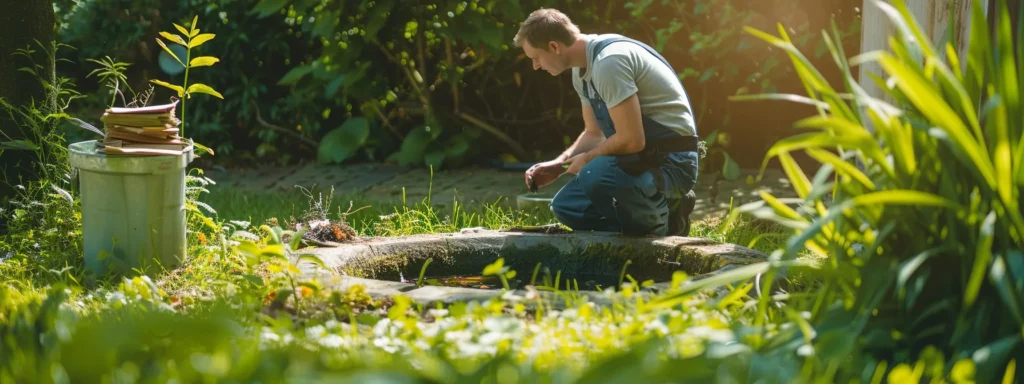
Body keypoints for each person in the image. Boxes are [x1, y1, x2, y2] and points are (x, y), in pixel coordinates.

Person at [515, 8, 700, 237]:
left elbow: (632, 140)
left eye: (536, 58)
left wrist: (586, 159)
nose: (535, 66)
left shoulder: (609, 62)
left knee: (596, 173)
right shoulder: (581, 70)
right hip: (642, 160)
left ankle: (658, 231)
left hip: (673, 163)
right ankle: (651, 219)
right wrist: (559, 165)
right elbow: (594, 133)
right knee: (567, 207)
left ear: (554, 46)